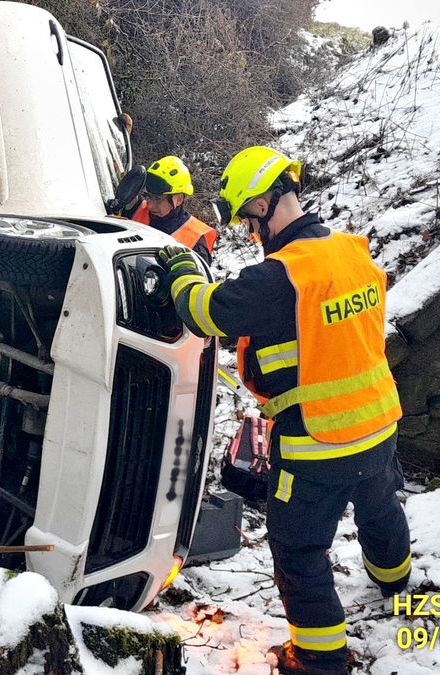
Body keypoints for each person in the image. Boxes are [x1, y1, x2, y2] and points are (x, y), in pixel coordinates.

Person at [157, 146, 412, 675]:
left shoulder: (281, 276)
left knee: (298, 550)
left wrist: (181, 266)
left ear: (264, 202)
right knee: (381, 506)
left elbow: (205, 311)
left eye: (249, 221)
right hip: (379, 422)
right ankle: (394, 578)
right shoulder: (353, 250)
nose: (252, 235)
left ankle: (319, 658)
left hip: (317, 442)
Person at [131, 156, 217, 264]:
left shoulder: (195, 242)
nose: (150, 206)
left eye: (158, 199)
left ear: (179, 199)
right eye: (148, 196)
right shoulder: (136, 210)